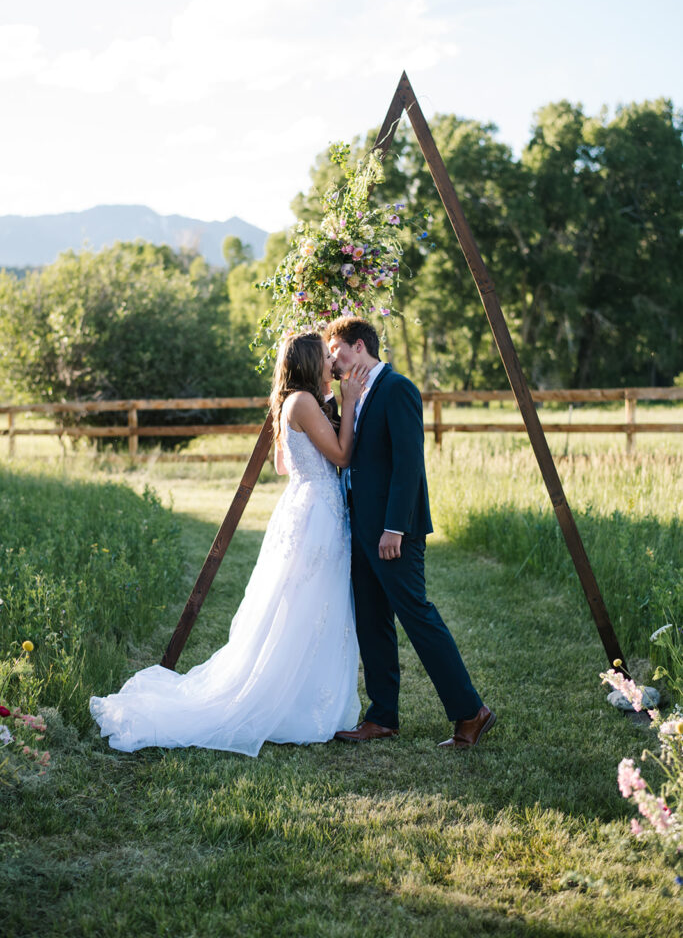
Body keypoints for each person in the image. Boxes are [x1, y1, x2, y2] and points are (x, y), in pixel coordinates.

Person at [90, 332, 368, 757]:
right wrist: (347, 403)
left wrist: (328, 408)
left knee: (304, 604)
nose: (332, 362)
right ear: (312, 362)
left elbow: (281, 465)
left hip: (304, 504)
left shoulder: (290, 401)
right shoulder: (304, 403)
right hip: (316, 513)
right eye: (325, 358)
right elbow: (343, 456)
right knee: (310, 605)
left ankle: (301, 695)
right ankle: (294, 702)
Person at [324, 317, 495, 749]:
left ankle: (470, 711)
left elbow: (408, 464)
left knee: (417, 616)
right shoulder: (358, 392)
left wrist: (394, 528)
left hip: (391, 531)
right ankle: (382, 716)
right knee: (372, 621)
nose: (332, 359)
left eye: (336, 351)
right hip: (361, 529)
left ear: (358, 347)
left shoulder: (398, 388)